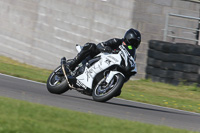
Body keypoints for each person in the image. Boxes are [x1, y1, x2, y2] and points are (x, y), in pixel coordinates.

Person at [66, 28, 141, 76]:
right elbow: (100, 45)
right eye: (133, 42)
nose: (133, 44)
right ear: (128, 38)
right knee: (91, 46)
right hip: (99, 57)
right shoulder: (117, 41)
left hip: (112, 65)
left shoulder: (132, 53)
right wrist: (105, 48)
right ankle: (70, 66)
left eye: (136, 43)